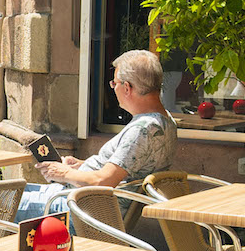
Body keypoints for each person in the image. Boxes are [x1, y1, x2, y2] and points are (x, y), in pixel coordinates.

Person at [15, 49, 177, 221]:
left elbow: (103, 181)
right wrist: (79, 165)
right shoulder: (166, 121)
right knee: (0, 189)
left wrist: (62, 173)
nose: (113, 89)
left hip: (81, 210)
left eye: (114, 84)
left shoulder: (143, 130)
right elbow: (127, 168)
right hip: (82, 202)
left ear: (127, 88)